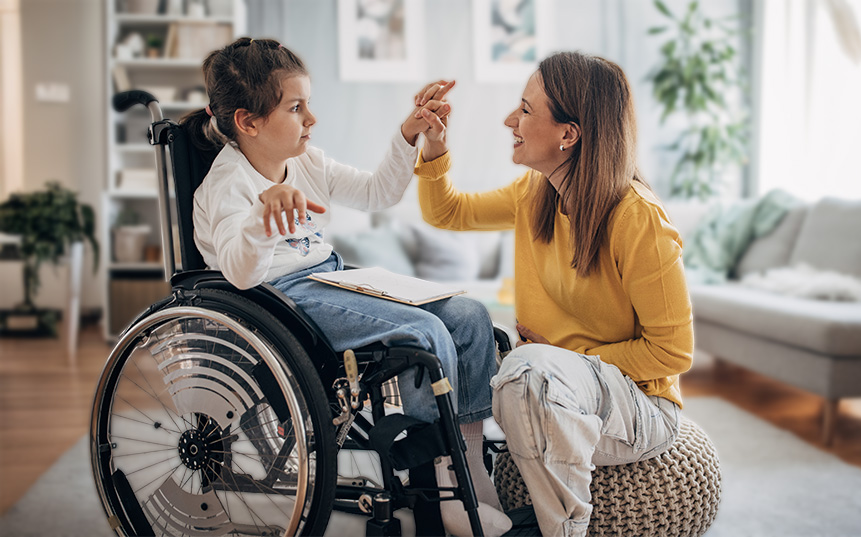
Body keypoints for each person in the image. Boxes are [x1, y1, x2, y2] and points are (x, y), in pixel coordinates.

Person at [181, 37, 512, 537]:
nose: (311, 118)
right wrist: (262, 217)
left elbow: (378, 192)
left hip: (330, 277)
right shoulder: (229, 186)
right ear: (248, 122)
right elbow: (241, 274)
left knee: (467, 316)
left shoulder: (307, 162)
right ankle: (440, 482)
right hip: (283, 301)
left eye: (307, 104)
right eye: (296, 107)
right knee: (422, 334)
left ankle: (469, 463)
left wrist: (409, 134)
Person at [413, 51, 694, 537]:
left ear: (569, 134)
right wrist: (435, 145)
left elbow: (672, 352)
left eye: (524, 109)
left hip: (640, 409)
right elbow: (448, 213)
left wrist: (561, 356)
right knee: (470, 338)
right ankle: (470, 497)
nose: (509, 121)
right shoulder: (535, 194)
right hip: (550, 389)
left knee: (528, 372)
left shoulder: (637, 218)